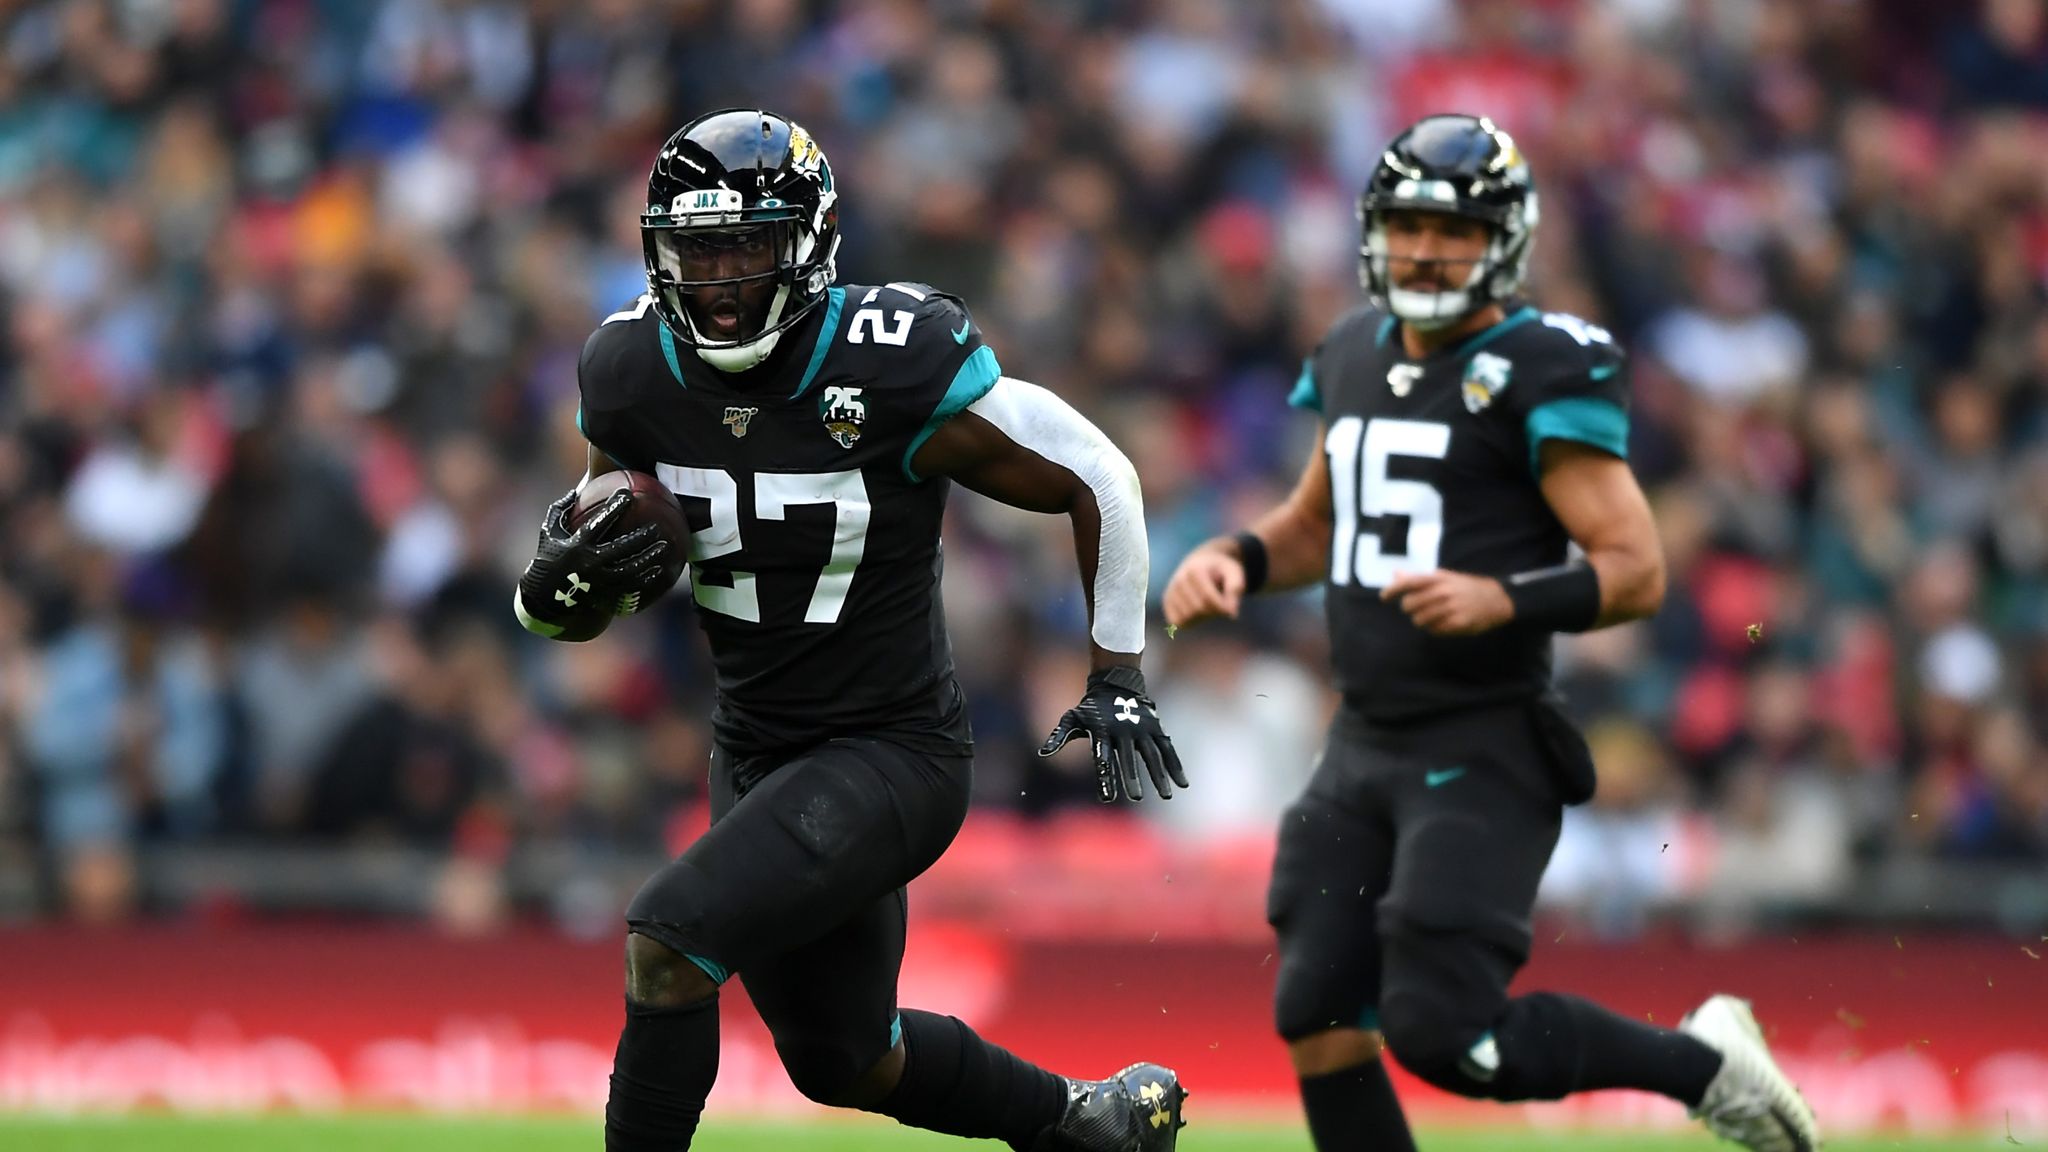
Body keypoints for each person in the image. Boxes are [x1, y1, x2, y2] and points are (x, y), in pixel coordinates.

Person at [512, 108, 1190, 1152]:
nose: (720, 279)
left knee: (668, 939)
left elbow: (1096, 469)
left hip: (892, 753)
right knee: (844, 1059)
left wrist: (1117, 665)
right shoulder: (630, 369)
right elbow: (603, 557)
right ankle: (1077, 1122)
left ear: (809, 245)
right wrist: (550, 591)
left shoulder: (890, 360)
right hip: (756, 749)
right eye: (697, 251)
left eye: (744, 246)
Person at [1162, 114, 1821, 1152]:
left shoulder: (1538, 366)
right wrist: (1235, 560)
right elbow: (1316, 525)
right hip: (1362, 740)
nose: (1426, 250)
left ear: (1503, 241)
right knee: (1315, 1014)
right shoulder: (1349, 350)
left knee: (1444, 1034)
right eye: (1409, 225)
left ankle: (1701, 1065)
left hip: (1480, 741)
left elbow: (1635, 570)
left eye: (1454, 231)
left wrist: (1502, 599)